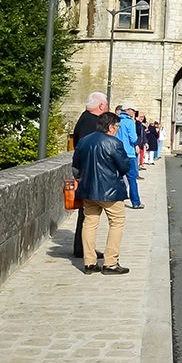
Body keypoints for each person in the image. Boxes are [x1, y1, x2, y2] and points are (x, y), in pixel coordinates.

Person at [72, 111, 131, 275]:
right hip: (110, 191)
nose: (117, 130)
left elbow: (76, 166)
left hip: (88, 190)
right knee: (116, 222)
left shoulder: (84, 141)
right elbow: (124, 167)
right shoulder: (114, 143)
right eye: (117, 126)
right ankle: (110, 262)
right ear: (111, 127)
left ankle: (89, 263)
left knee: (89, 223)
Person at [71, 91, 109, 258]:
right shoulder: (90, 122)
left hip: (86, 172)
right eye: (106, 106)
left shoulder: (85, 118)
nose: (107, 109)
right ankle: (83, 249)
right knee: (88, 215)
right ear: (101, 106)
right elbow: (88, 148)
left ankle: (82, 248)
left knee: (86, 214)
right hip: (89, 173)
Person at [115, 103, 143, 209]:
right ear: (127, 110)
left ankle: (116, 200)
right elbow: (133, 138)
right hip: (129, 154)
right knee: (132, 179)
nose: (134, 112)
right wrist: (137, 144)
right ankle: (136, 202)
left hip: (117, 153)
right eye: (133, 110)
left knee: (118, 178)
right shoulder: (129, 122)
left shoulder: (116, 121)